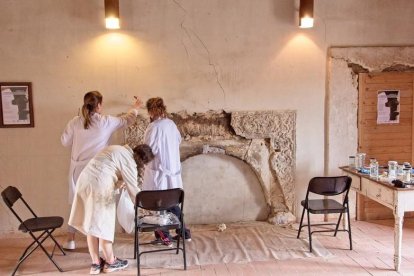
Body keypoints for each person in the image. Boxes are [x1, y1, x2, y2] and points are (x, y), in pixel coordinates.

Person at [61, 91, 142, 250]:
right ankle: (100, 244)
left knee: (77, 204)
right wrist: (135, 107)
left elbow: (64, 142)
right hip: (98, 171)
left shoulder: (75, 122)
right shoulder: (106, 122)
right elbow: (127, 120)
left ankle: (70, 239)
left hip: (77, 171)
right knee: (100, 206)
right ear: (99, 106)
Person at [68, 144, 154, 274]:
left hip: (84, 182)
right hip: (99, 187)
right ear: (142, 161)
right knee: (104, 224)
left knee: (92, 224)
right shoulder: (129, 160)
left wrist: (119, 184)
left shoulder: (117, 149)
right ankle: (111, 262)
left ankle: (96, 264)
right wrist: (148, 209)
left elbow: (105, 169)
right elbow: (134, 191)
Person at [142, 97, 191, 245]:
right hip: (173, 170)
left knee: (159, 205)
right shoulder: (171, 124)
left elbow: (148, 150)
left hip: (159, 172)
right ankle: (184, 233)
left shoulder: (154, 127)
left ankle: (164, 237)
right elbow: (177, 141)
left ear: (150, 111)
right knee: (172, 202)